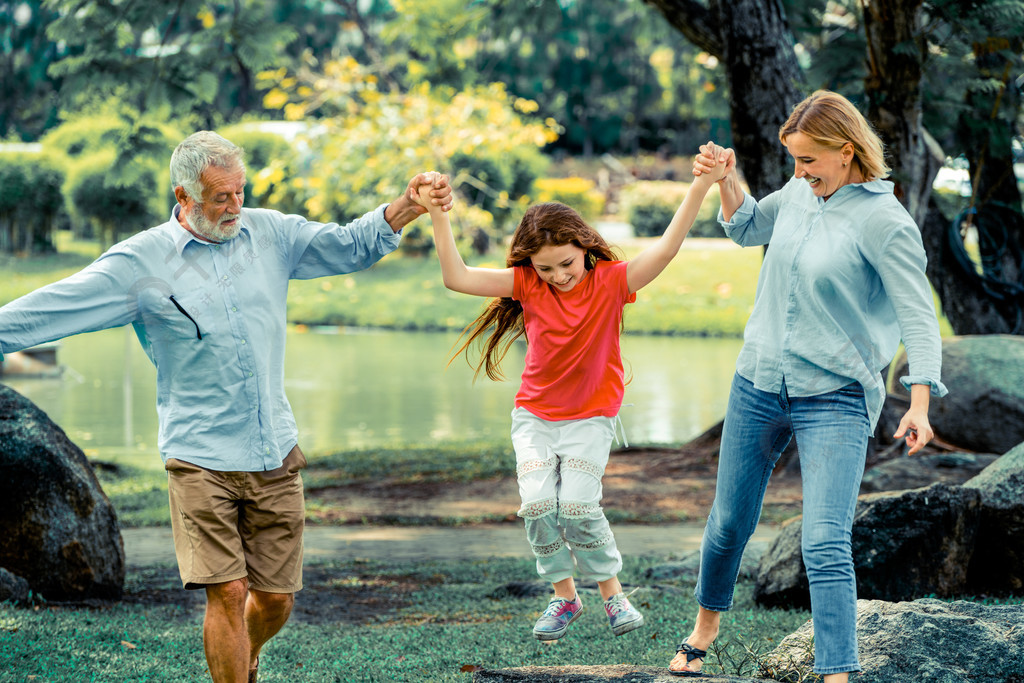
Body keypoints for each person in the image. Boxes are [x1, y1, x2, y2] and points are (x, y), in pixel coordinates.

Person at [0, 131, 453, 683]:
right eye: (221, 197)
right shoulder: (140, 264)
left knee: (276, 599)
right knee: (228, 589)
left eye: (240, 191)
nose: (236, 205)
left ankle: (245, 652)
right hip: (199, 454)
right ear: (184, 196)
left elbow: (350, 244)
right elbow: (50, 308)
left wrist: (405, 204)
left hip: (273, 451)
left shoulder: (271, 233)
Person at [666, 91, 948, 681]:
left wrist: (919, 401)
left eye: (808, 161)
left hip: (838, 395)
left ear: (846, 152)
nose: (799, 173)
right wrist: (726, 178)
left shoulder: (885, 222)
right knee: (728, 525)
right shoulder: (798, 192)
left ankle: (835, 673)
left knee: (823, 541)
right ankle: (705, 628)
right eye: (793, 161)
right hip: (759, 381)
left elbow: (918, 314)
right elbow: (745, 228)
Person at [411, 152, 727, 642]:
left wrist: (701, 187)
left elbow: (664, 251)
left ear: (584, 247)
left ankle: (613, 595)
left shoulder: (610, 282)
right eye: (546, 267)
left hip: (591, 418)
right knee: (538, 506)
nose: (558, 276)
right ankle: (564, 596)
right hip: (534, 416)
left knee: (578, 507)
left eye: (566, 263)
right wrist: (438, 212)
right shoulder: (528, 284)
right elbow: (458, 277)